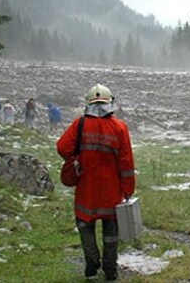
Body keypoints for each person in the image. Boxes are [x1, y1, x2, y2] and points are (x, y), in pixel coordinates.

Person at [57, 84, 135, 281]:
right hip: (111, 190)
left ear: (88, 102)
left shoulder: (80, 124)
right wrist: (128, 189)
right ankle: (110, 269)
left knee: (85, 225)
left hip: (87, 189)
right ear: (110, 102)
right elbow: (126, 163)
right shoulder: (120, 127)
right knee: (111, 231)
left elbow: (62, 148)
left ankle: (91, 265)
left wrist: (78, 156)